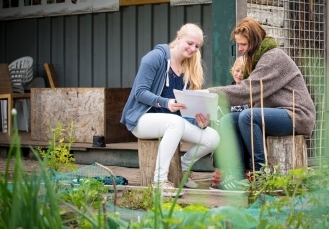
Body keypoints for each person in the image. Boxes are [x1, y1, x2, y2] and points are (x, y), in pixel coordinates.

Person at [206, 17, 316, 190]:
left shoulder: (273, 57)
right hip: (276, 113)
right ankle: (237, 177)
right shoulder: (257, 58)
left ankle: (260, 174)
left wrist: (210, 92)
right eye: (238, 44)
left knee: (247, 117)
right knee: (229, 120)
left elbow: (248, 90)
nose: (240, 49)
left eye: (243, 44)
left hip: (296, 114)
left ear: (255, 40)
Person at [120, 23, 220, 197]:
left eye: (197, 46)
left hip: (172, 123)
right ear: (178, 38)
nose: (193, 49)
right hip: (142, 120)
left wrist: (200, 121)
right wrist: (166, 103)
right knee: (174, 123)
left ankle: (182, 170)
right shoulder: (155, 58)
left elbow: (184, 109)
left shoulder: (189, 69)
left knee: (212, 137)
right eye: (190, 43)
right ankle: (159, 182)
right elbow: (140, 93)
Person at [209, 56, 250, 189]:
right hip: (227, 128)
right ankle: (222, 169)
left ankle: (241, 172)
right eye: (237, 70)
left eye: (243, 72)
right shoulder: (229, 90)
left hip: (242, 129)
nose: (239, 74)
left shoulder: (249, 92)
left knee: (237, 136)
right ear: (232, 70)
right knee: (220, 133)